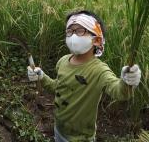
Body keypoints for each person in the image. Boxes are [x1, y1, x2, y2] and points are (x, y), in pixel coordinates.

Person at [27, 10, 141, 142]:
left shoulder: (99, 70)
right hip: (58, 128)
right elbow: (57, 88)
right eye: (69, 31)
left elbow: (119, 92)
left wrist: (128, 82)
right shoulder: (63, 61)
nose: (73, 36)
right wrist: (42, 76)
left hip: (81, 138)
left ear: (96, 39)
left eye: (80, 30)